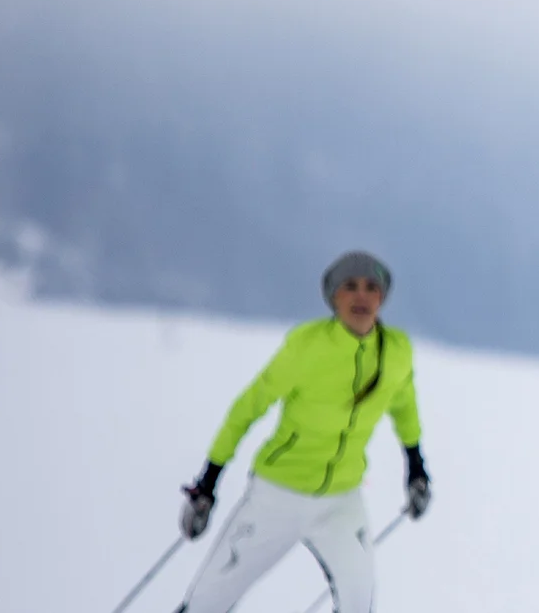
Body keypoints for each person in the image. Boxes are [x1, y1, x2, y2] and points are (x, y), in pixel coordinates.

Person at [173, 251, 433, 613]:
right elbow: (248, 408)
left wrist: (416, 469)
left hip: (342, 502)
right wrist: (207, 483)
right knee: (206, 603)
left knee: (360, 605)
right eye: (350, 287)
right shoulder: (307, 345)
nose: (361, 296)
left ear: (383, 297)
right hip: (277, 496)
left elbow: (405, 408)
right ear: (333, 297)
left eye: (372, 287)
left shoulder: (397, 352)